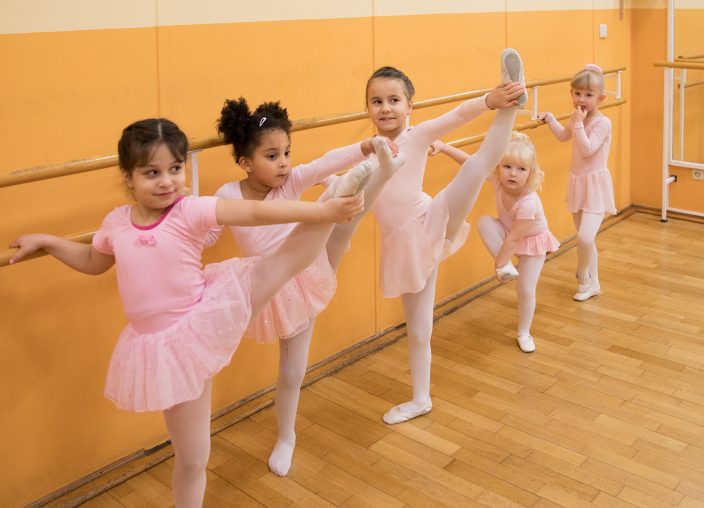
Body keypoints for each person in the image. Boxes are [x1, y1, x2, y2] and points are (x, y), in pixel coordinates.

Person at [8, 118, 367, 507]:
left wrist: (321, 212)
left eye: (175, 169)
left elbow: (254, 215)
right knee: (194, 457)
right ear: (128, 178)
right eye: (152, 173)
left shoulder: (189, 210)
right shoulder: (116, 223)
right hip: (165, 349)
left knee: (283, 264)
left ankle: (341, 201)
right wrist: (48, 241)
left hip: (205, 316)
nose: (166, 181)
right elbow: (93, 260)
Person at [213, 98, 403, 476]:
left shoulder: (291, 182)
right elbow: (206, 230)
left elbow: (322, 163)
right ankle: (286, 436)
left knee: (333, 210)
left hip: (306, 269)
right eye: (272, 155)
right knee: (289, 372)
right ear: (246, 163)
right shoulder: (226, 196)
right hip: (268, 285)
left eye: (286, 152)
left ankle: (369, 173)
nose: (283, 162)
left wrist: (363, 146)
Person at [363, 49, 526, 424]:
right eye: (377, 101)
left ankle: (511, 99)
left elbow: (456, 116)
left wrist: (490, 100)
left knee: (478, 165)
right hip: (403, 246)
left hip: (430, 217)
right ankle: (421, 399)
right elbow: (345, 181)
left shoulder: (416, 135)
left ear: (409, 107)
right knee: (419, 330)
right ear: (368, 108)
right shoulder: (367, 155)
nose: (385, 108)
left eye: (393, 100)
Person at [433, 132, 559, 353]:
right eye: (507, 166)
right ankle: (508, 267)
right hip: (509, 232)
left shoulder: (529, 201)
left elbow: (515, 238)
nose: (512, 173)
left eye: (521, 169)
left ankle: (524, 332)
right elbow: (471, 163)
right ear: (498, 167)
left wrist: (499, 265)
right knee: (483, 222)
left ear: (530, 174)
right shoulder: (499, 183)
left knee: (525, 289)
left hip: (531, 243)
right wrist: (443, 147)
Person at [538, 64, 616, 302]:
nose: (582, 99)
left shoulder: (603, 123)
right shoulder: (577, 118)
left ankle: (583, 274)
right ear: (571, 93)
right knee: (585, 239)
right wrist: (551, 119)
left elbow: (588, 149)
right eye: (577, 93)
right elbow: (563, 136)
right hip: (578, 183)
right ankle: (594, 284)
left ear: (600, 98)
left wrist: (578, 123)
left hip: (595, 187)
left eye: (588, 95)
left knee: (584, 238)